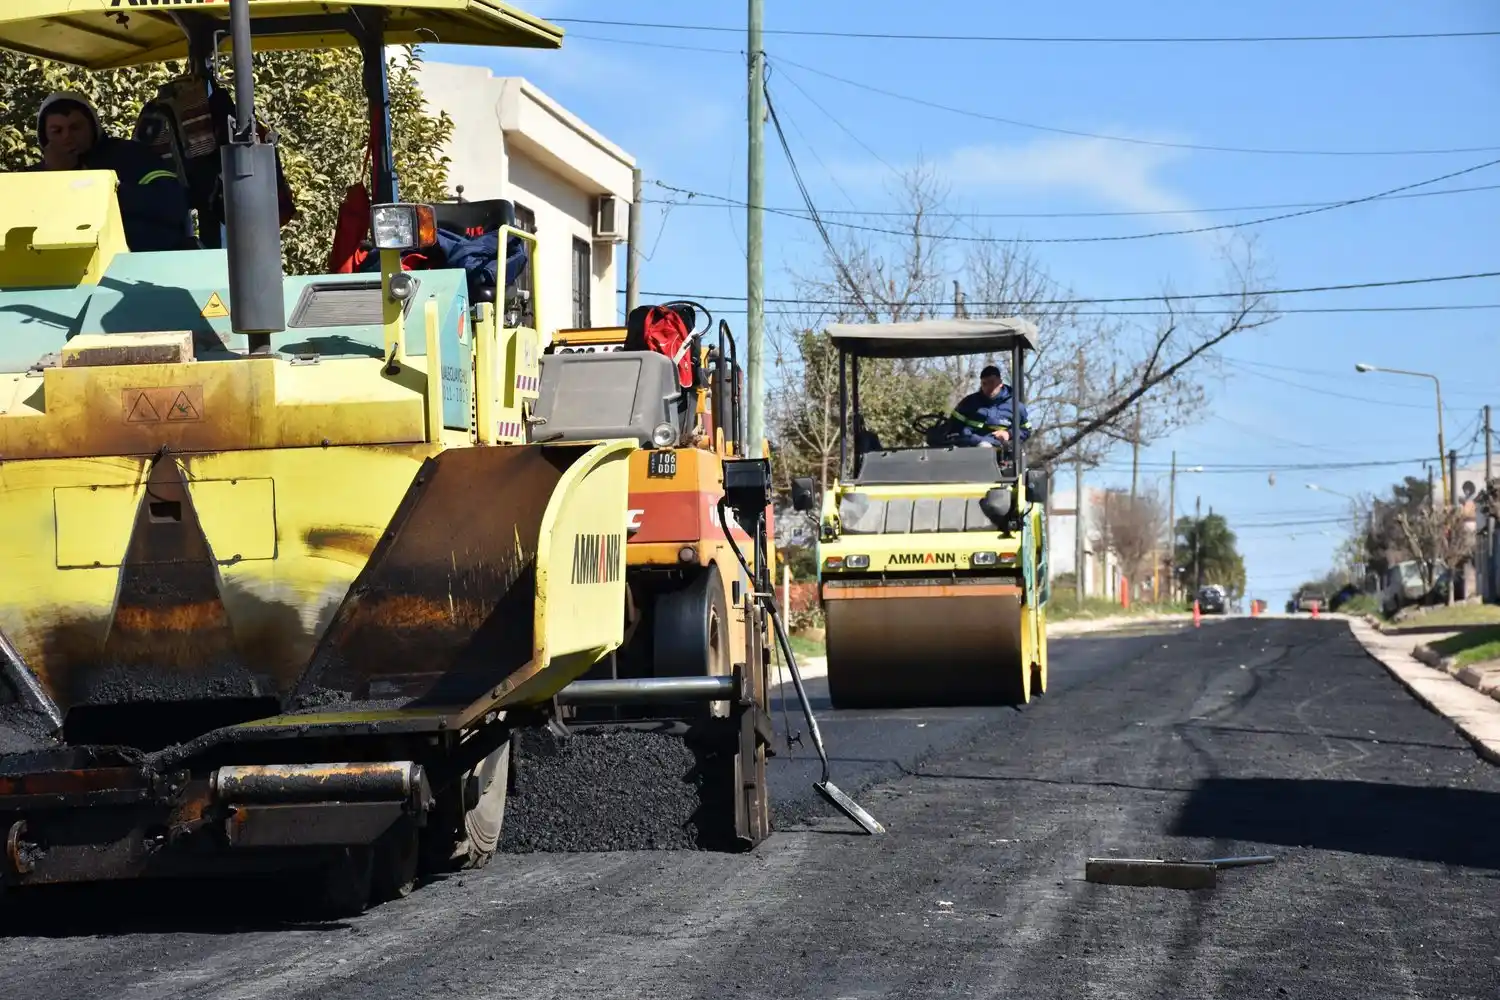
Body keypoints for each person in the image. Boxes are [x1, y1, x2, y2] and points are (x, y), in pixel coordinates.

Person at [33, 92, 195, 253]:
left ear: (92, 126)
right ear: (44, 136)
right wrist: (54, 175)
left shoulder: (131, 156)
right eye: (57, 131)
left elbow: (173, 203)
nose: (67, 137)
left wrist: (101, 190)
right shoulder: (30, 179)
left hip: (139, 261)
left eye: (75, 128)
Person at [949, 364, 1031, 448]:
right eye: (984, 384)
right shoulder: (969, 402)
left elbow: (1025, 430)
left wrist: (1008, 433)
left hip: (999, 452)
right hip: (968, 448)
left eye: (992, 383)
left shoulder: (1016, 407)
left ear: (1000, 383)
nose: (988, 387)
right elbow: (953, 426)